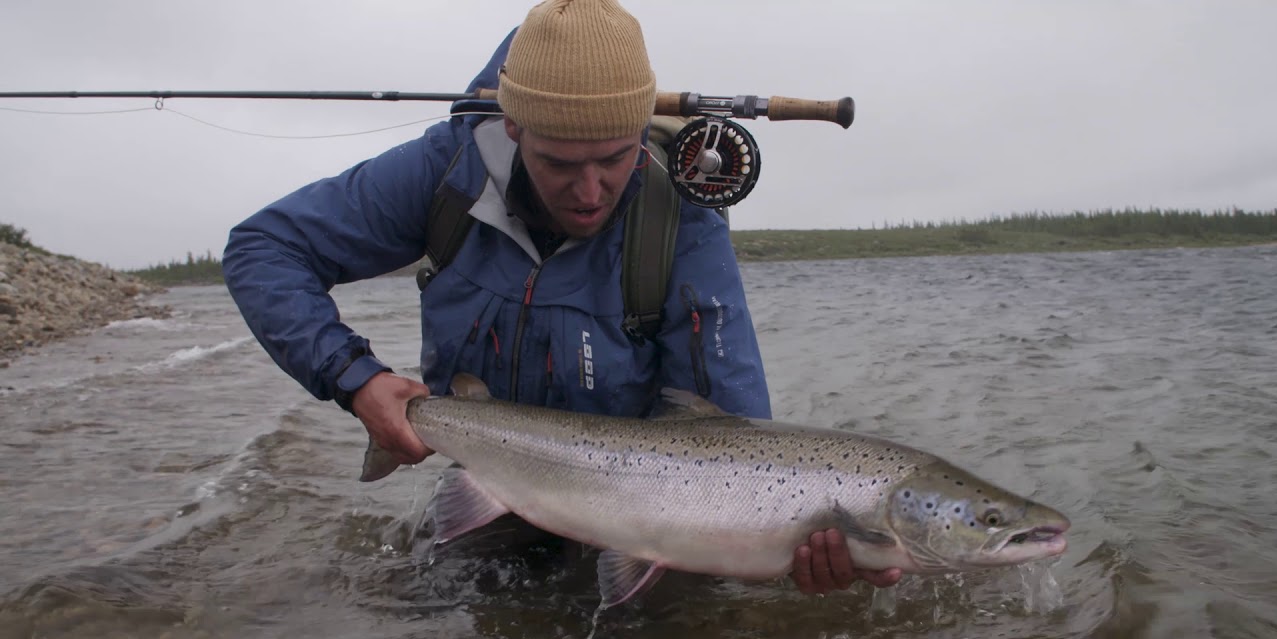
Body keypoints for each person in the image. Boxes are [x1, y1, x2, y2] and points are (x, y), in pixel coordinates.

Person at [222, 0, 901, 596]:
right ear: (514, 130)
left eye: (613, 159)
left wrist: (790, 547)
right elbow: (262, 251)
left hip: (643, 503)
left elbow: (733, 435)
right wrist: (355, 380)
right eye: (560, 164)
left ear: (641, 134)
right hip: (491, 476)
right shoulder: (446, 171)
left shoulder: (682, 220)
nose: (589, 191)